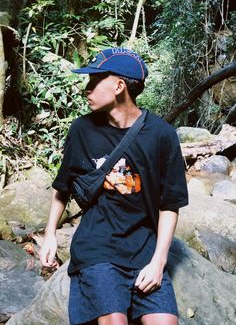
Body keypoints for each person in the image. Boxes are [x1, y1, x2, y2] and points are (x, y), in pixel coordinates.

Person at [40, 47, 188, 325]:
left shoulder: (162, 135)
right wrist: (50, 235)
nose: (87, 89)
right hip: (98, 248)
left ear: (119, 85)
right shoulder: (82, 129)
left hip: (145, 247)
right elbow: (63, 187)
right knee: (114, 320)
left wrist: (158, 262)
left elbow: (170, 204)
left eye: (95, 81)